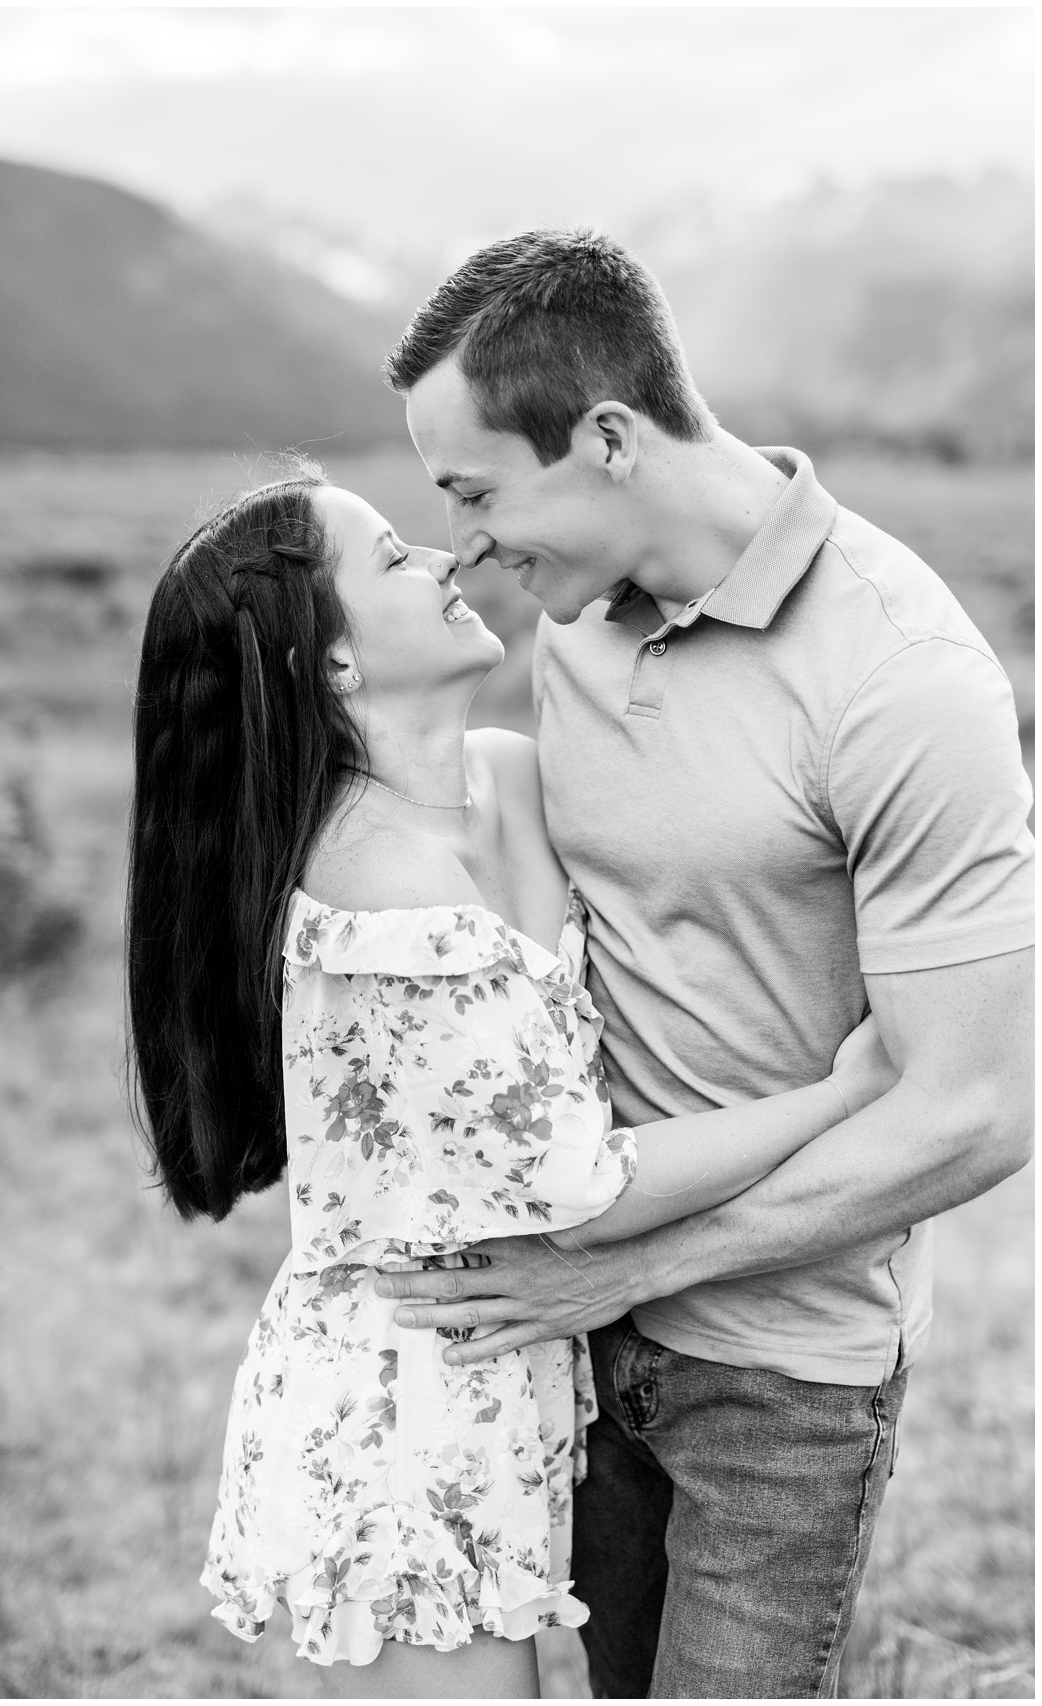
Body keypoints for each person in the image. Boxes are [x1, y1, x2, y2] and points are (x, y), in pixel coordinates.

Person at [375, 228, 1034, 1697]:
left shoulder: (902, 678)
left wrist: (630, 1263)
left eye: (476, 491)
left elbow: (978, 1110)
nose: (468, 544)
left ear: (607, 439)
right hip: (577, 1340)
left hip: (786, 1375)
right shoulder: (575, 634)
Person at [125, 463, 902, 1698]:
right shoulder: (378, 882)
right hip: (412, 1395)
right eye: (390, 558)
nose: (440, 558)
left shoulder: (507, 773)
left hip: (531, 1367)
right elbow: (583, 1189)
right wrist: (848, 1089)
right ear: (332, 665)